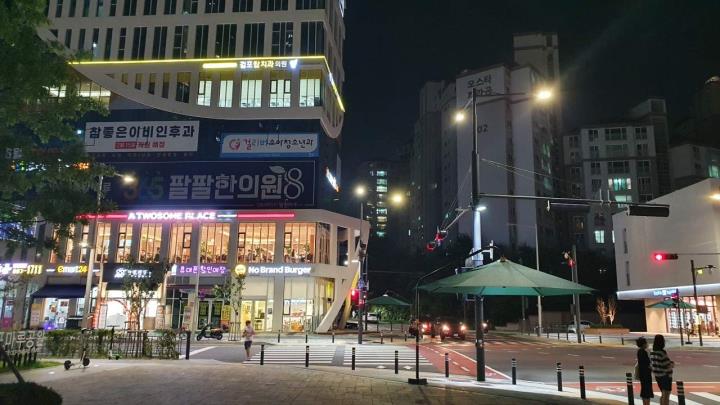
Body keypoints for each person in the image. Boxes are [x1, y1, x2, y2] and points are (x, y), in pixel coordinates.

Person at [651, 334, 674, 405]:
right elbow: (666, 364)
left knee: (663, 394)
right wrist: (672, 364)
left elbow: (653, 364)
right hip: (665, 376)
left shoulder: (652, 352)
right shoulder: (662, 352)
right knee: (666, 395)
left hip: (657, 376)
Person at [636, 337, 653, 405]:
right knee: (647, 392)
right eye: (646, 343)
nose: (647, 344)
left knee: (644, 390)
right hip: (646, 374)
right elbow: (647, 364)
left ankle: (645, 403)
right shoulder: (643, 352)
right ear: (643, 344)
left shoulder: (639, 351)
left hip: (642, 374)